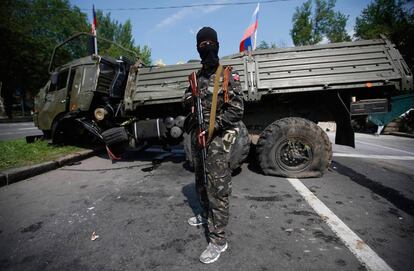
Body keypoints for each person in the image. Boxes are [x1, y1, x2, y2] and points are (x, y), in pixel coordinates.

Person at [183, 27, 244, 264]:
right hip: (198, 139)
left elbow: (237, 110)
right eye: (202, 44)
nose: (206, 47)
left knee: (218, 189)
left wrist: (213, 127)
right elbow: (185, 99)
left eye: (210, 43)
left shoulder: (227, 74)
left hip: (216, 141)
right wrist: (189, 98)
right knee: (200, 181)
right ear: (197, 48)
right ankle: (204, 214)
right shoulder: (196, 78)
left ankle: (219, 240)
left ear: (217, 44)